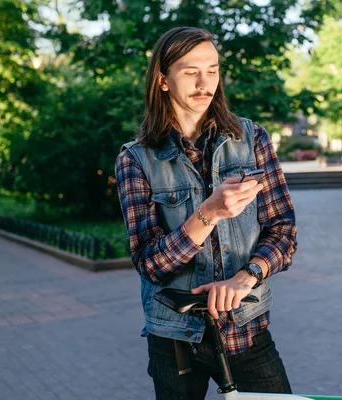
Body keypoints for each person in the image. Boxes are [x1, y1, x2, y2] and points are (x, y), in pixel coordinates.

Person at [115, 26, 297, 399]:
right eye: (190, 71)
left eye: (212, 70)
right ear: (163, 80)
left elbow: (284, 231)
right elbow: (150, 263)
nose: (205, 83)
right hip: (175, 340)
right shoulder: (135, 159)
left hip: (247, 330)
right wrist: (208, 213)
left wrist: (247, 277)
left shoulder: (252, 140)